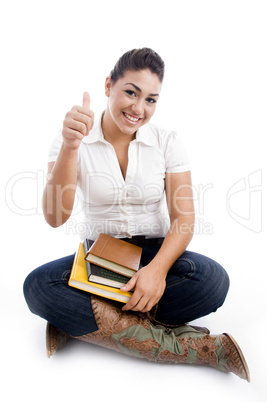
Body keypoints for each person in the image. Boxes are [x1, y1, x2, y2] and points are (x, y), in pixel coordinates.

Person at [23, 48, 250, 381]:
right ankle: (195, 349)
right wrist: (72, 147)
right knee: (38, 287)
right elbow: (55, 217)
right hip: (99, 260)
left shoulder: (167, 142)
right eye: (131, 92)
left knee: (213, 282)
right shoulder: (70, 140)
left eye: (151, 100)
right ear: (108, 85)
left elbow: (184, 219)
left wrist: (157, 272)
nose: (138, 108)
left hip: (155, 254)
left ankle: (83, 325)